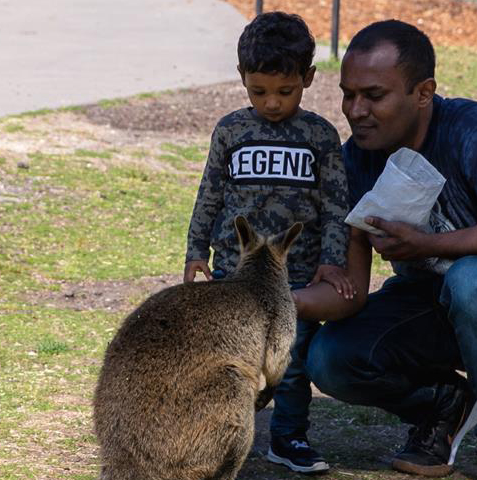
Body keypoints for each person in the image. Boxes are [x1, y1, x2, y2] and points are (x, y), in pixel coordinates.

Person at [293, 20, 477, 480]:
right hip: (436, 307)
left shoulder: (470, 129)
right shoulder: (353, 160)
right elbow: (352, 292)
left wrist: (426, 244)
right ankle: (446, 406)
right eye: (348, 94)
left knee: (472, 280)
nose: (356, 110)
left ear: (423, 93)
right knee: (330, 357)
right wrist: (275, 300)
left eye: (374, 95)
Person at [183, 11, 366, 474]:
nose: (271, 103)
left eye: (285, 92)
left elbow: (334, 206)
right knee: (229, 361)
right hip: (233, 275)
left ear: (307, 78)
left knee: (291, 362)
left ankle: (287, 438)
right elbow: (210, 193)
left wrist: (331, 262)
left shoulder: (320, 136)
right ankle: (220, 438)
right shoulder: (230, 131)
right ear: (242, 78)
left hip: (296, 280)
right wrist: (194, 251)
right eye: (258, 91)